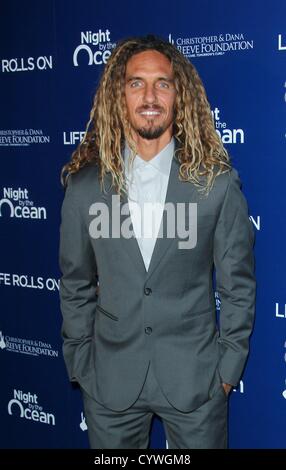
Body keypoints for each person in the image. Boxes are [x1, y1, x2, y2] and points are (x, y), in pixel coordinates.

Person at [59, 34, 256, 449]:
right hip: (110, 381)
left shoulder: (216, 186)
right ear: (120, 95)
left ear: (178, 95)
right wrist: (81, 363)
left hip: (195, 382)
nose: (150, 95)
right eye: (136, 83)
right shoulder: (83, 189)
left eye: (162, 83)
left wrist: (225, 372)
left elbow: (237, 286)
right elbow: (75, 283)